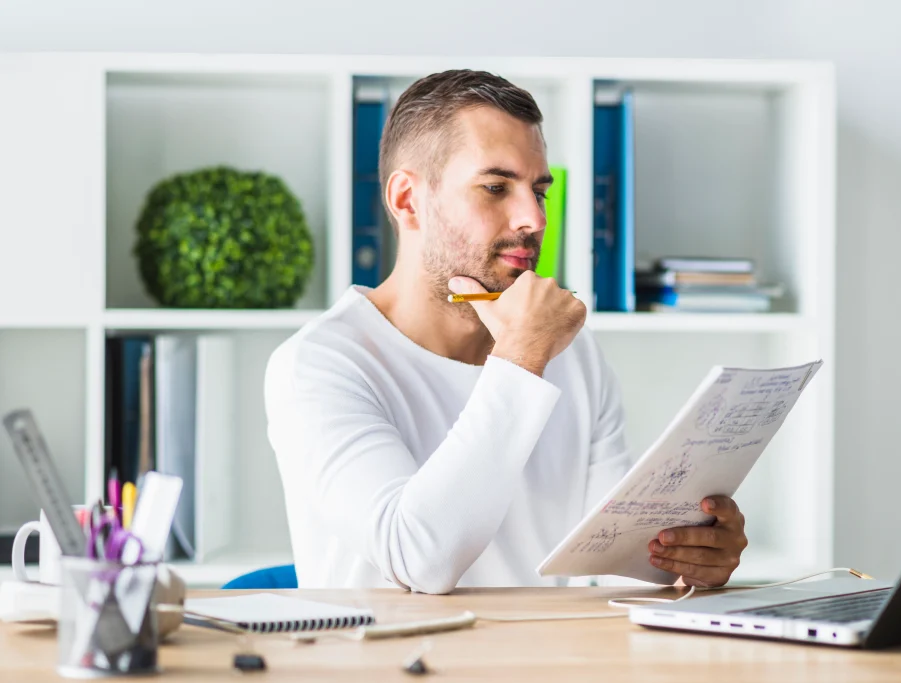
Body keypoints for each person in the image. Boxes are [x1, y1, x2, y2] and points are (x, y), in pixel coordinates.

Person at [264, 69, 748, 594]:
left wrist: (688, 557)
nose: (534, 219)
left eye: (539, 191)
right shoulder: (318, 364)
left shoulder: (573, 353)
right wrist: (522, 356)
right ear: (407, 201)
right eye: (495, 187)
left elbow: (619, 554)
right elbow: (418, 560)